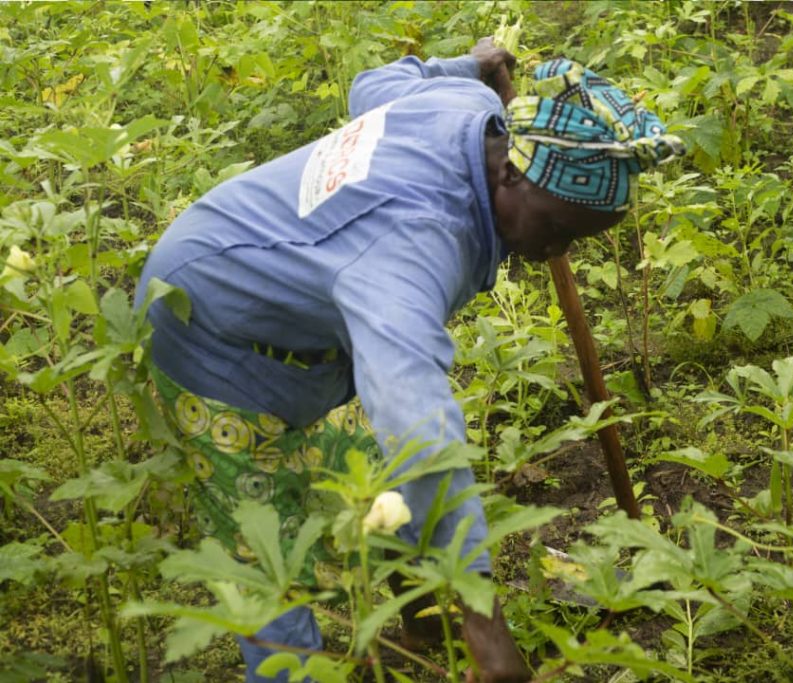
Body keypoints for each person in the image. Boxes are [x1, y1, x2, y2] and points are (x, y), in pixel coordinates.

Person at [137, 37, 682, 683]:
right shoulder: (413, 245)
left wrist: (468, 67)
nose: (556, 250)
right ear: (511, 172)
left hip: (272, 271)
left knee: (378, 480)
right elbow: (420, 424)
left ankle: (423, 614)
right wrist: (487, 618)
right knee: (270, 550)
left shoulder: (463, 104)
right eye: (557, 228)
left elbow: (372, 83)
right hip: (205, 324)